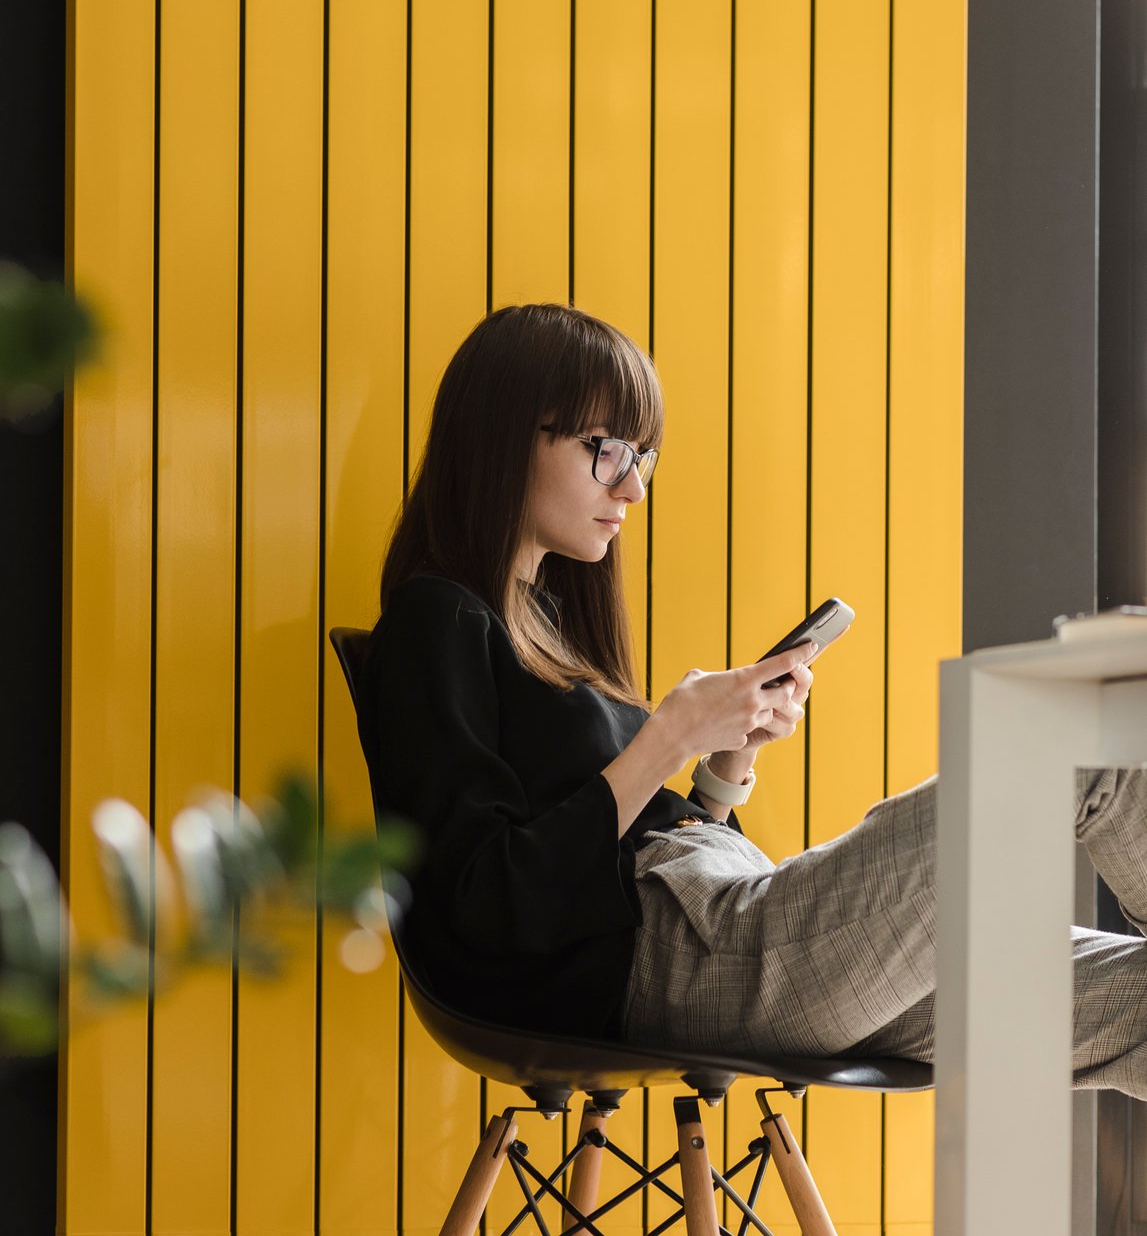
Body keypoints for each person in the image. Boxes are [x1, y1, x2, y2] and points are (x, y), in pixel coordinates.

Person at [358, 302, 1147, 1094]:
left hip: (722, 925)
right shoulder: (437, 620)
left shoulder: (542, 623)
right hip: (688, 961)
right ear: (503, 436)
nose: (632, 487)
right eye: (605, 450)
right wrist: (665, 738)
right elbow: (486, 902)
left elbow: (614, 851)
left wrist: (723, 772)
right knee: (1079, 744)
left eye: (642, 457)